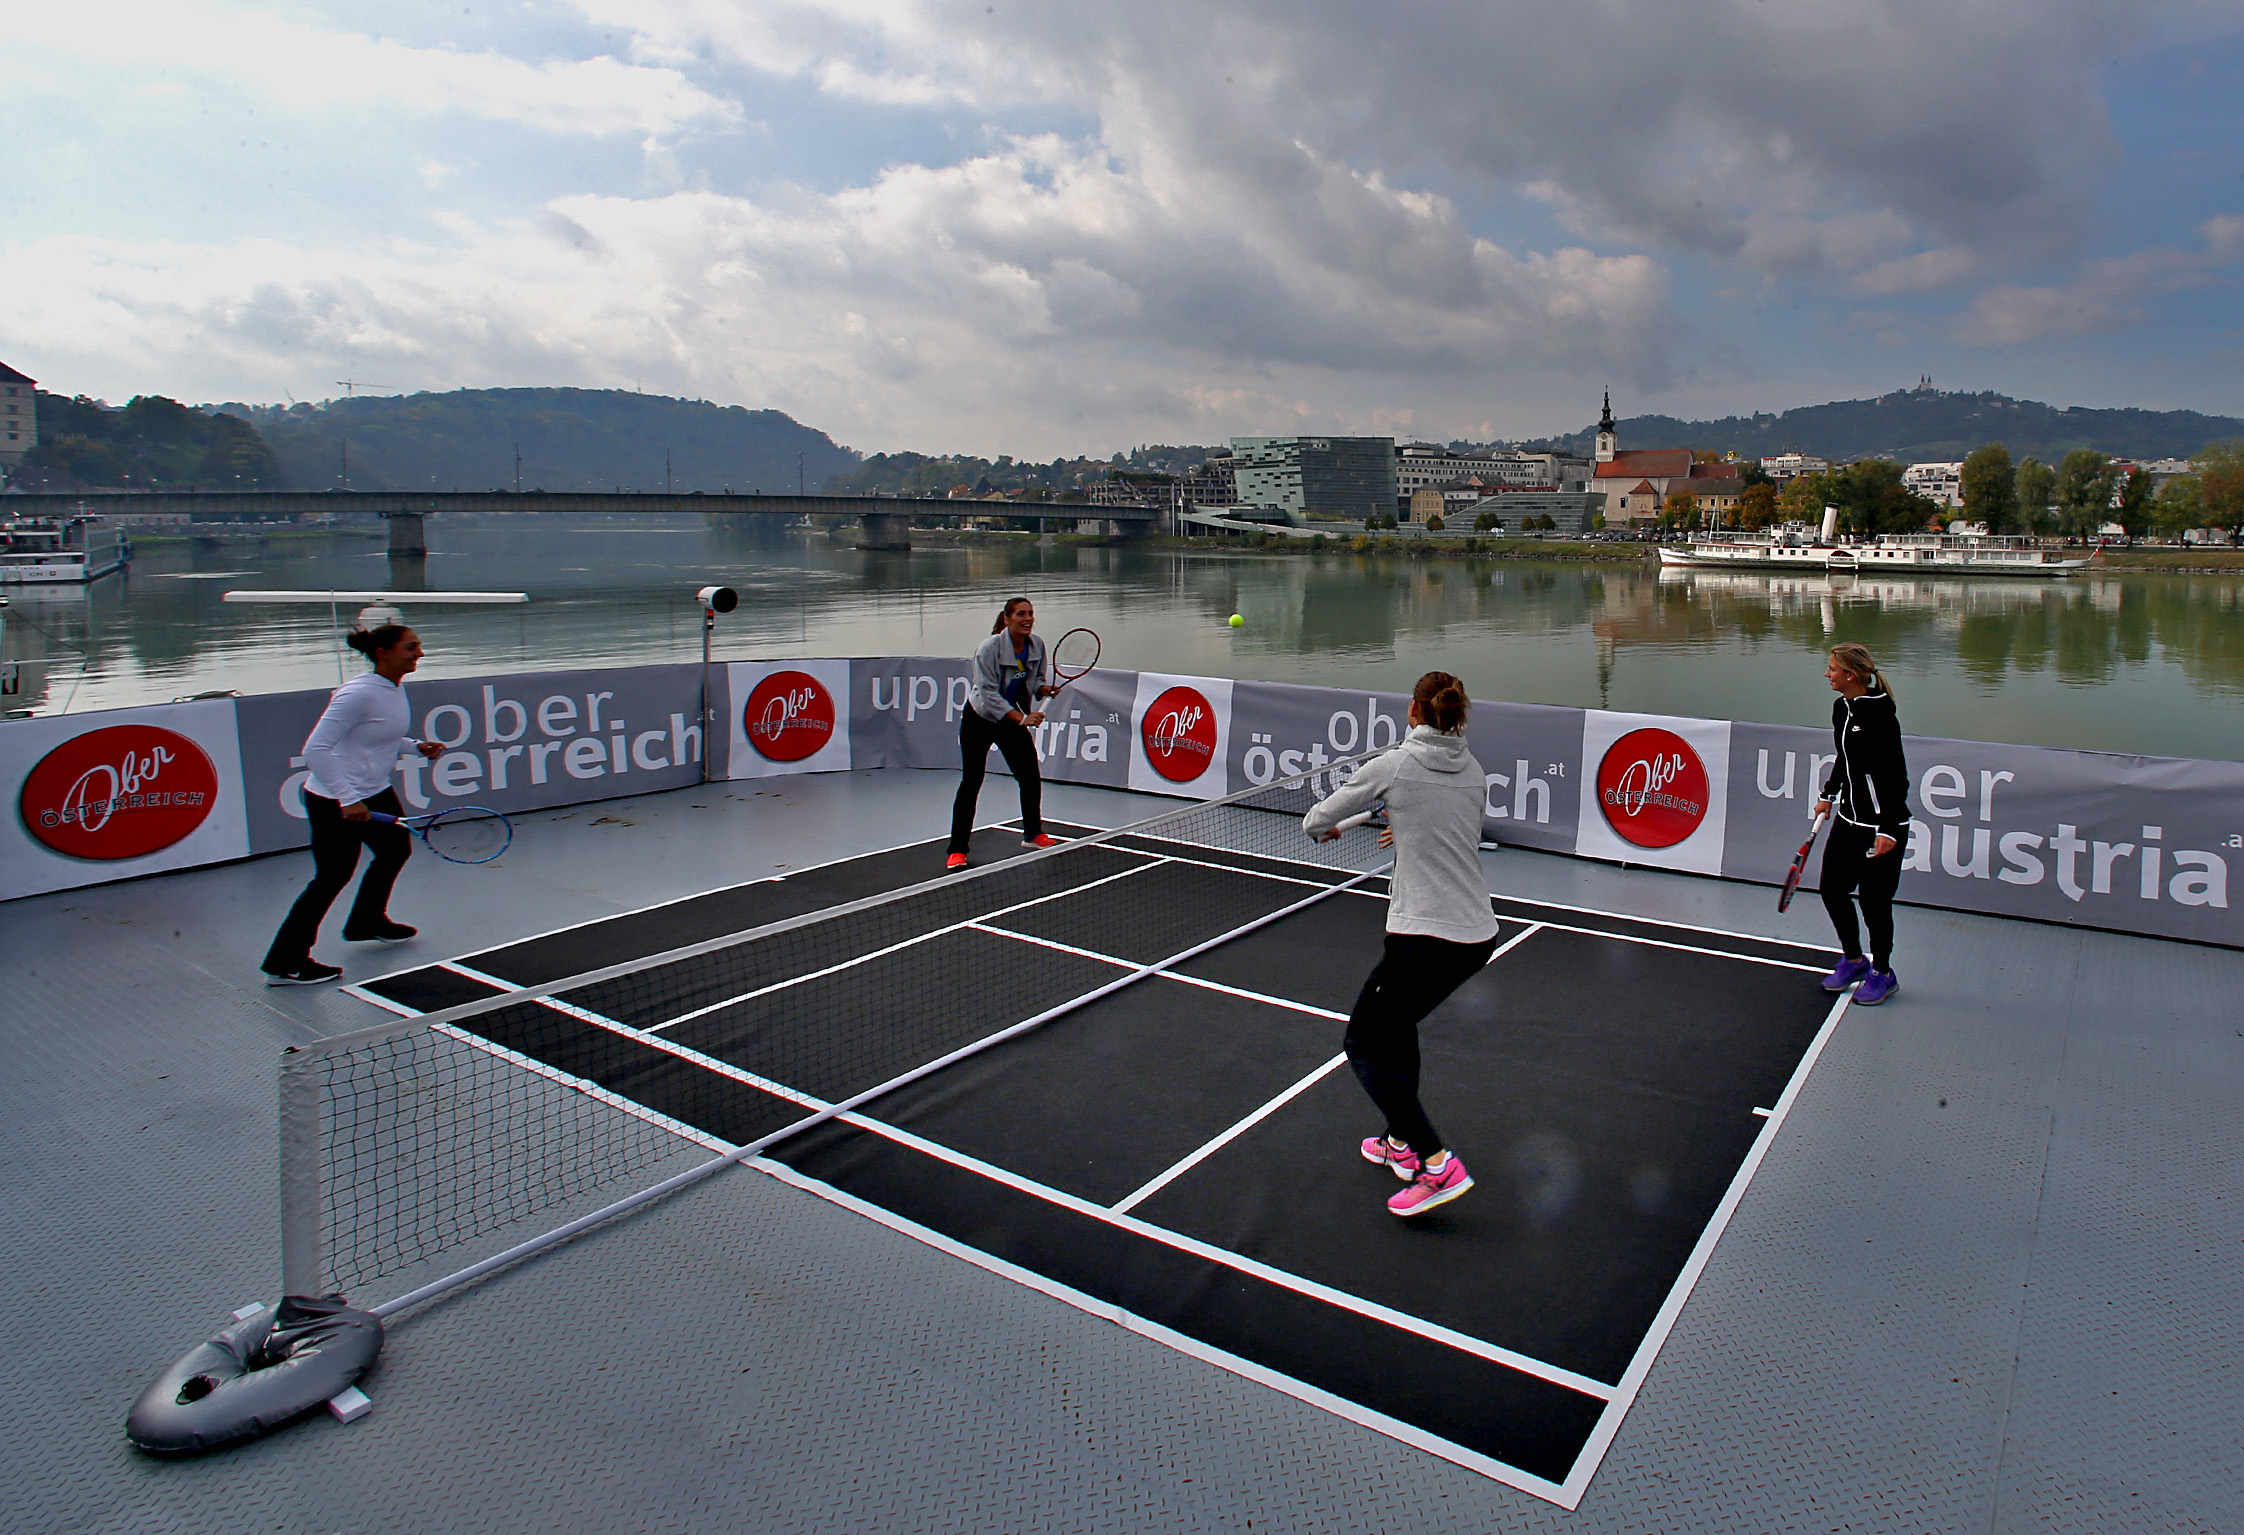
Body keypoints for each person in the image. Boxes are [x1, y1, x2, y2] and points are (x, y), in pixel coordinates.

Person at [1304, 671, 1499, 1217]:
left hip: (1423, 937)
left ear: (1413, 711)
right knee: (1399, 1025)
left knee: (1365, 1043)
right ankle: (1398, 1142)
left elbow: (1316, 820)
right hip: (1476, 937)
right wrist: (1407, 829)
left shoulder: (1393, 765)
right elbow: (1455, 833)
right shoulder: (1475, 773)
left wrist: (1328, 832)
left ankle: (1436, 1164)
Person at [260, 624, 445, 985]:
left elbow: (375, 736)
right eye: (411, 647)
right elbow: (315, 749)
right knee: (331, 878)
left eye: (418, 646)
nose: (419, 653)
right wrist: (348, 799)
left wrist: (415, 746)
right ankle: (284, 964)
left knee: (395, 851)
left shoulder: (392, 687)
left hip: (374, 791)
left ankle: (366, 921)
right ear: (384, 653)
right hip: (334, 798)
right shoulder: (357, 694)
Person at [1812, 642, 1910, 1005]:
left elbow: (1895, 777)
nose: (1827, 674)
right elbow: (1845, 756)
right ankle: (1854, 960)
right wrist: (1829, 793)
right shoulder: (1842, 708)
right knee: (1831, 890)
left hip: (1881, 826)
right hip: (1848, 819)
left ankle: (1883, 972)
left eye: (1832, 669)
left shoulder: (1880, 716)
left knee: (1873, 901)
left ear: (1851, 676)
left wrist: (1888, 828)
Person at [947, 596, 1061, 870]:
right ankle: (957, 850)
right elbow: (987, 694)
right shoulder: (989, 649)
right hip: (980, 719)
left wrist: (1043, 689)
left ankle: (1032, 834)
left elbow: (1036, 679)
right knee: (971, 782)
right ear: (1007, 619)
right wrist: (1022, 718)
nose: (1028, 618)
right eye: (1021, 614)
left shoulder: (1037, 645)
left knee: (1029, 777)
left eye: (1031, 613)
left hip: (1012, 720)